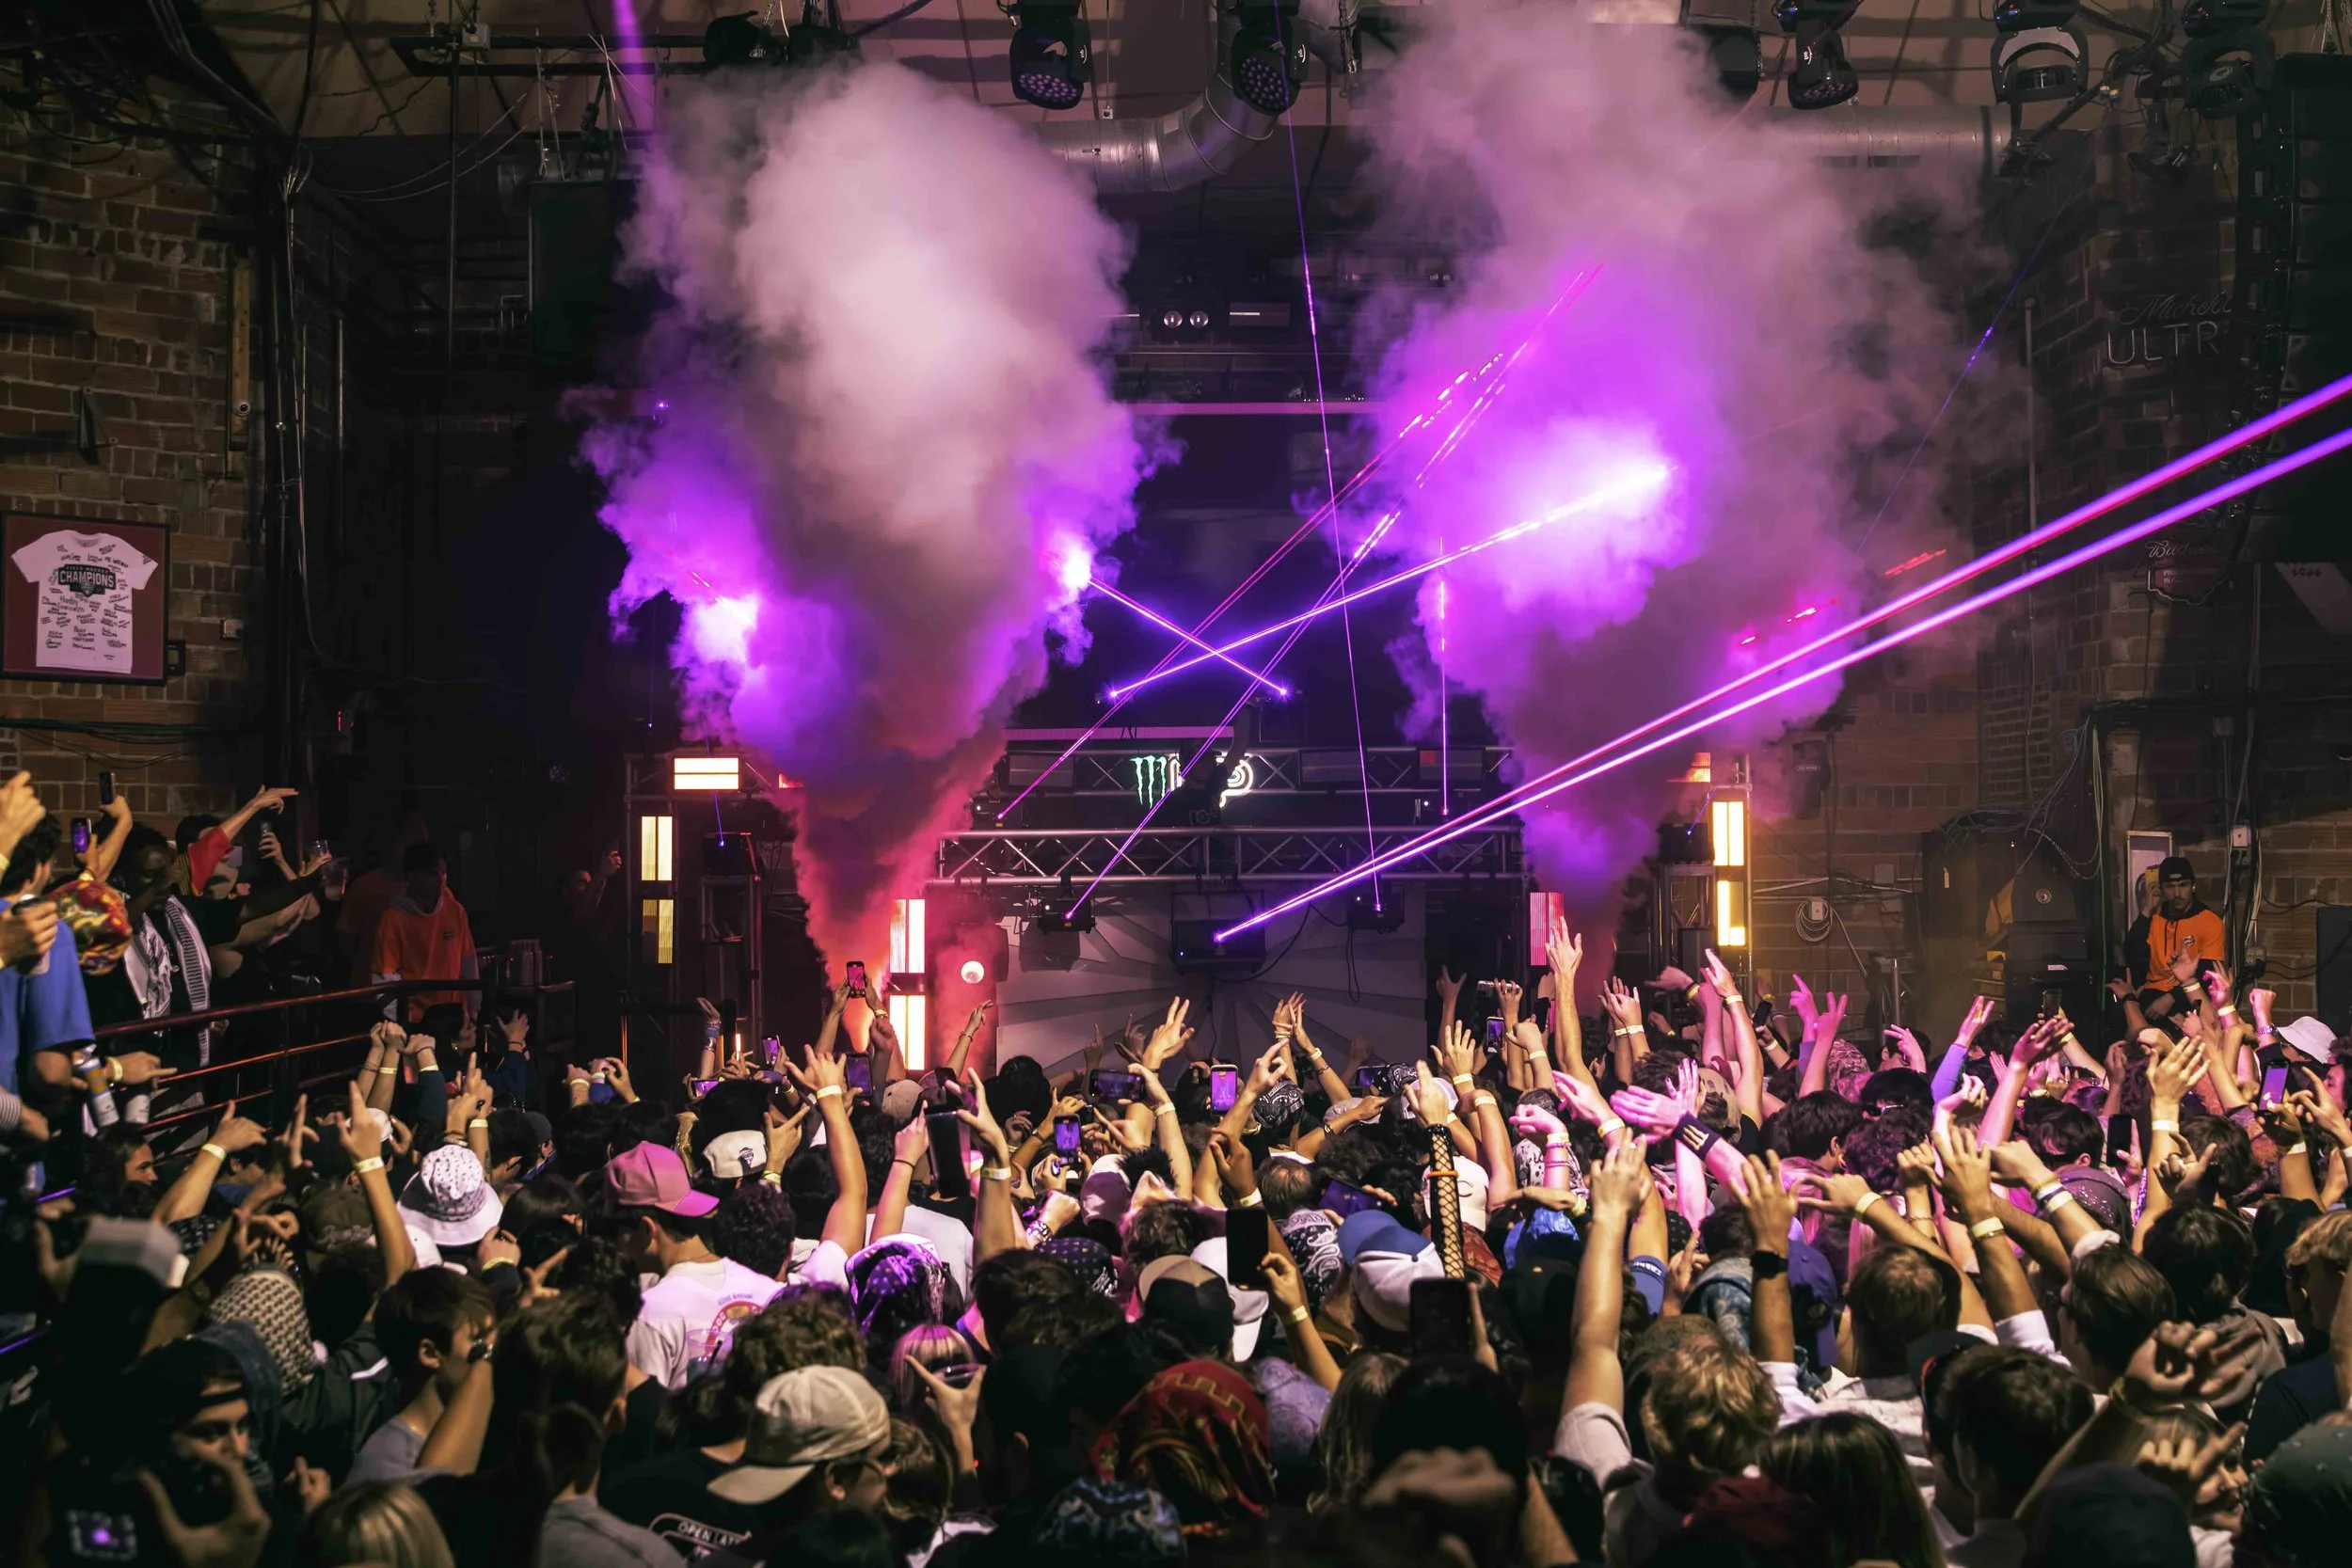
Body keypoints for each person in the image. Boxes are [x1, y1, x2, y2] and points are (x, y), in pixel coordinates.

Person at [369, 843, 478, 1024]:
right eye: (433, 873)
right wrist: (407, 1020)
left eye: (443, 872)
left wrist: (473, 1013)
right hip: (416, 1022)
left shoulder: (455, 911)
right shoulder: (392, 919)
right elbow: (384, 980)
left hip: (456, 1018)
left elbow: (469, 966)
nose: (440, 879)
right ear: (412, 876)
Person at [2124, 855, 2228, 1018]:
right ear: (2161, 889)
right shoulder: (2154, 916)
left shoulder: (2210, 922)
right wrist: (2146, 911)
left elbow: (2208, 975)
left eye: (2183, 885)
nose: (2177, 893)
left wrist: (2171, 998)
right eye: (2170, 887)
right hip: (2152, 993)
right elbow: (2132, 956)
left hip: (2190, 995)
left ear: (2193, 885)